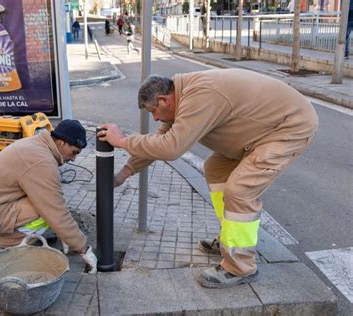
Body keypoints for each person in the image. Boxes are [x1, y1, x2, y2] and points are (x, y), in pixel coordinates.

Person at [98, 69, 318, 288]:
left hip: (288, 127)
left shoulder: (200, 97)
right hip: (259, 131)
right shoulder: (183, 99)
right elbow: (160, 141)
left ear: (164, 100)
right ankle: (229, 241)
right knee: (215, 168)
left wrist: (123, 141)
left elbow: (171, 148)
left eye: (153, 111)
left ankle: (240, 266)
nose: (155, 118)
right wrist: (124, 174)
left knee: (240, 190)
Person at [0, 119, 97, 273]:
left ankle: (6, 232)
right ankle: (9, 247)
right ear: (61, 143)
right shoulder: (41, 161)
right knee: (45, 212)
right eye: (74, 152)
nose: (74, 159)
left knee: (47, 204)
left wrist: (66, 234)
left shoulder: (36, 145)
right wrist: (82, 248)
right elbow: (56, 211)